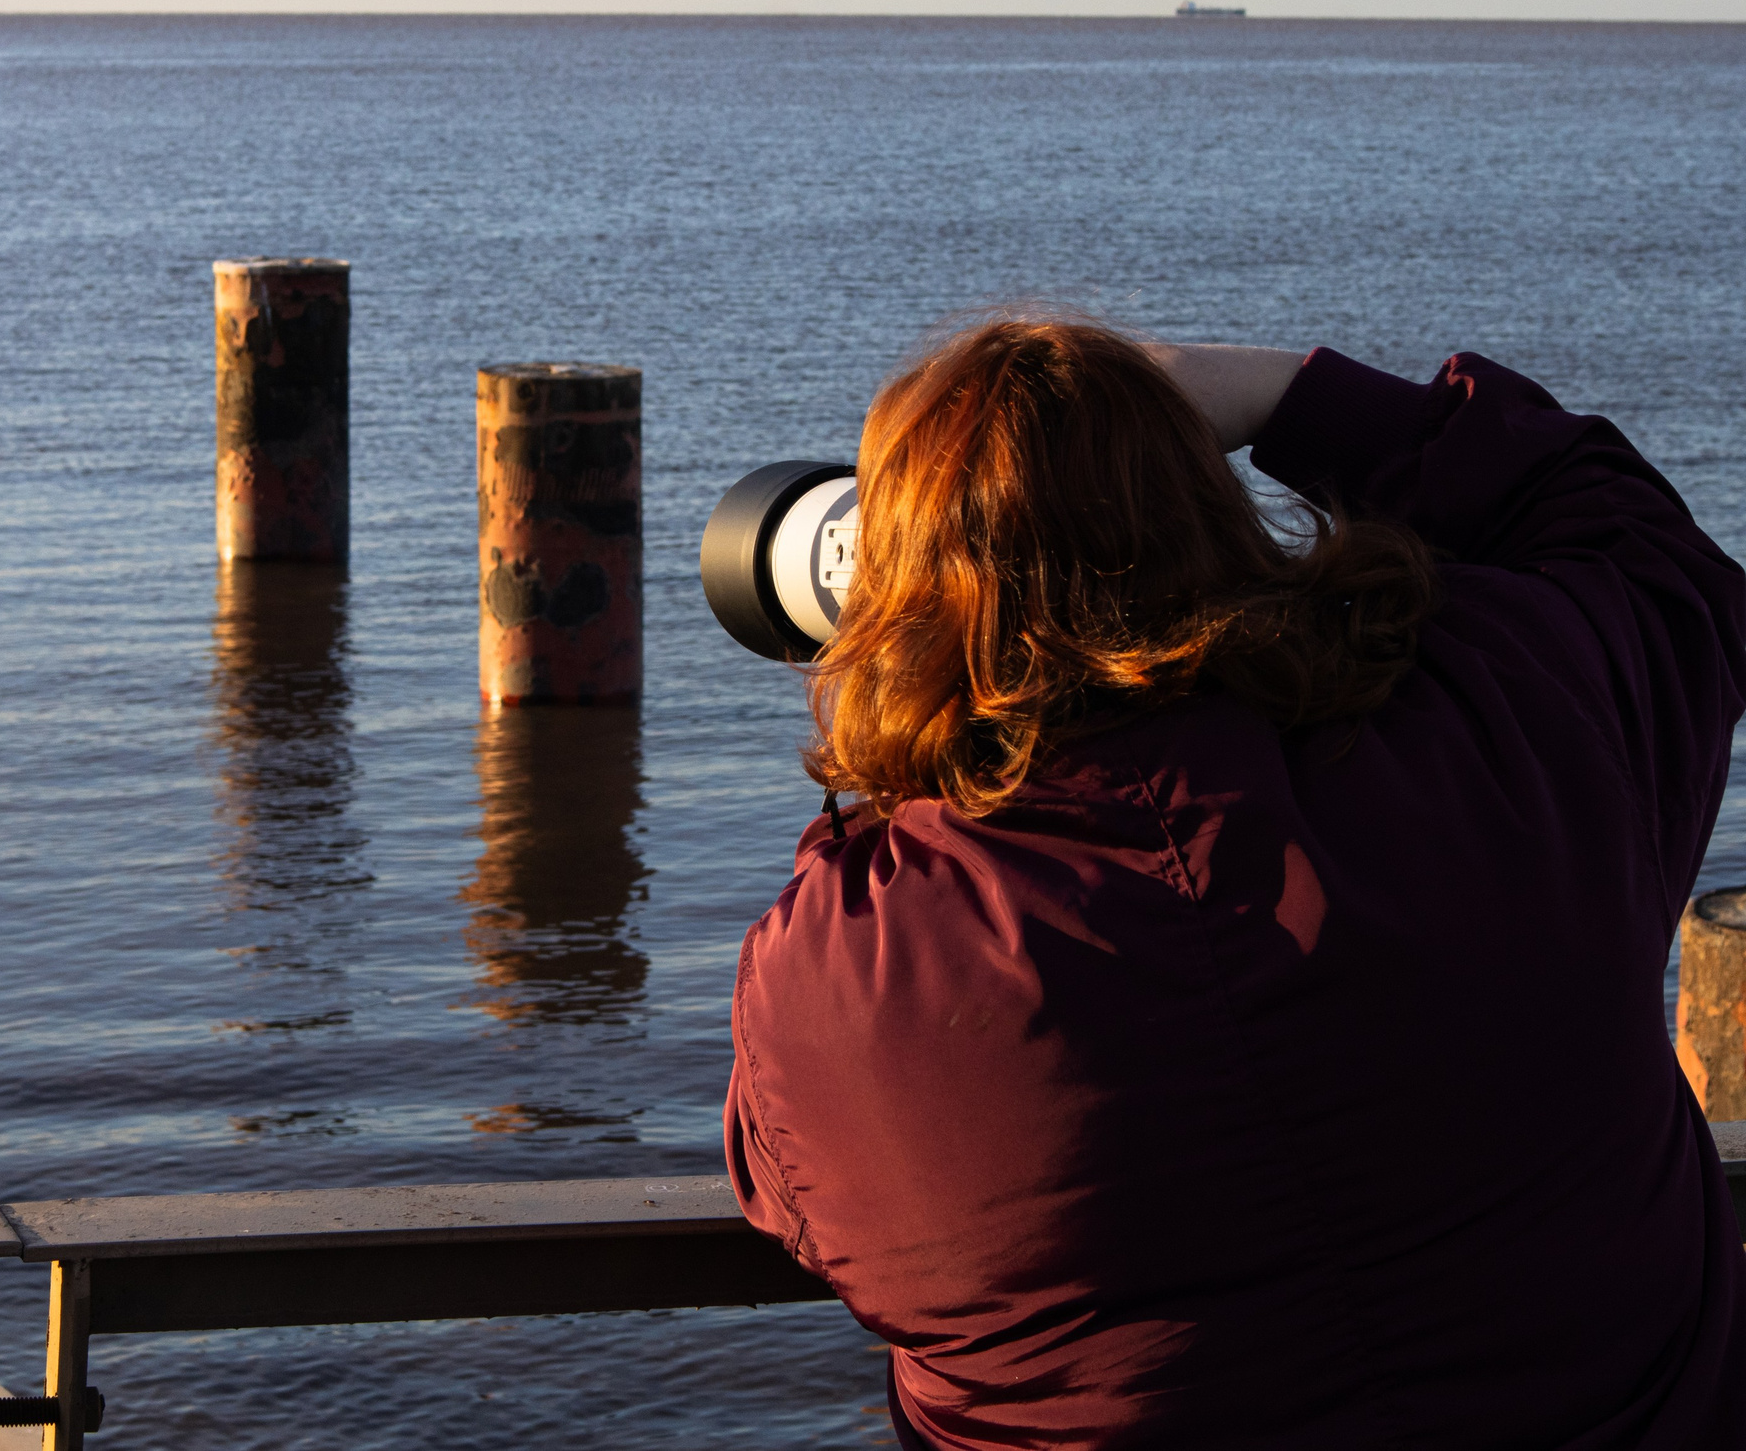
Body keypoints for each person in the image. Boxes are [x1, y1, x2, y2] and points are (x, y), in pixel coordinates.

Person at [725, 315, 1746, 1448]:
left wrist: (902, 786)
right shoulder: (1516, 726)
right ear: (1210, 514)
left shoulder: (841, 971)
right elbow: (1638, 542)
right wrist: (1283, 394)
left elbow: (789, 1188)